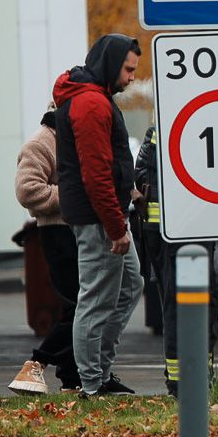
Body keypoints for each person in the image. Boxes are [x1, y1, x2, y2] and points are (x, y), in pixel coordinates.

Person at [54, 34, 143, 398]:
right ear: (110, 63)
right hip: (99, 220)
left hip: (106, 215)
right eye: (128, 69)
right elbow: (96, 173)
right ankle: (91, 383)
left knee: (130, 285)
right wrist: (115, 226)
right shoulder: (91, 103)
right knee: (96, 298)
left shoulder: (97, 97)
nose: (132, 77)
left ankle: (99, 373)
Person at [8, 106, 82, 395]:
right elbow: (27, 190)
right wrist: (71, 195)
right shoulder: (42, 142)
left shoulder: (68, 138)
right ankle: (36, 363)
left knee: (74, 305)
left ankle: (70, 377)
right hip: (57, 232)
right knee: (81, 306)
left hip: (71, 230)